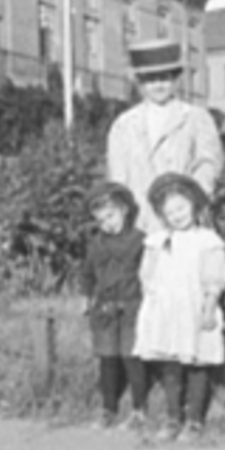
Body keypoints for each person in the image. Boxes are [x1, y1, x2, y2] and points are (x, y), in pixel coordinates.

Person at [132, 173, 225, 442]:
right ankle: (172, 417)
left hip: (194, 309)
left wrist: (209, 307)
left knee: (198, 363)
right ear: (162, 215)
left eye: (181, 208)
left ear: (194, 205)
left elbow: (214, 278)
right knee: (171, 365)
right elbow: (147, 276)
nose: (177, 215)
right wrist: (152, 306)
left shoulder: (207, 240)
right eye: (170, 211)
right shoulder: (157, 241)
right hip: (166, 311)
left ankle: (195, 420)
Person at [107, 39, 223, 234]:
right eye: (151, 79)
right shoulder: (124, 125)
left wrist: (190, 204)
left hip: (184, 222)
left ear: (175, 78)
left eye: (165, 78)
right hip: (141, 225)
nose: (158, 85)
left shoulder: (195, 119)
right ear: (140, 82)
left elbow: (208, 165)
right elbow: (118, 177)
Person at [77, 182, 149, 430]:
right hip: (105, 310)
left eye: (111, 216)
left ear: (125, 210)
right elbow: (87, 273)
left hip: (132, 307)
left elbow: (149, 274)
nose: (107, 223)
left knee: (132, 358)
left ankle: (139, 410)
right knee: (107, 359)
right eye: (101, 219)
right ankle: (108, 408)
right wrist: (86, 296)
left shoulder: (139, 241)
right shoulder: (96, 244)